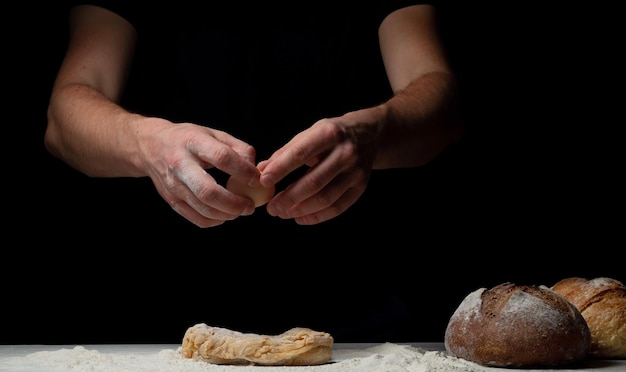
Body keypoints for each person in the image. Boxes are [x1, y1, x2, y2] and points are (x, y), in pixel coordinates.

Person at [41, 1, 465, 343]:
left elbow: (442, 104)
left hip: (362, 319)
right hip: (149, 319)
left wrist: (374, 132)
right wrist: (146, 142)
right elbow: (64, 121)